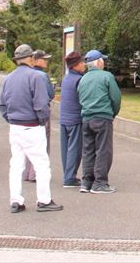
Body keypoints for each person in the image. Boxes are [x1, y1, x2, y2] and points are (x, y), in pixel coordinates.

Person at [0, 44, 61, 213]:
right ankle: (44, 200)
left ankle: (16, 201)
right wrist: (42, 121)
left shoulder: (8, 78)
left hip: (15, 126)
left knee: (16, 164)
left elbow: (2, 105)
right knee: (41, 164)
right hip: (32, 125)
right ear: (32, 58)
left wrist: (11, 119)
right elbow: (41, 104)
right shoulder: (36, 77)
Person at [78, 49, 121, 194]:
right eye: (103, 60)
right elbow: (116, 98)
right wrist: (113, 113)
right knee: (103, 150)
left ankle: (86, 181)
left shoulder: (82, 79)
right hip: (103, 117)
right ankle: (100, 183)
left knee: (88, 150)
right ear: (99, 62)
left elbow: (79, 97)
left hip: (86, 118)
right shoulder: (107, 76)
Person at [23, 49, 54, 182]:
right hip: (41, 113)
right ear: (36, 60)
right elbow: (50, 94)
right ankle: (35, 173)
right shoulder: (41, 75)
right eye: (44, 59)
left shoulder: (25, 74)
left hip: (27, 113)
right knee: (41, 144)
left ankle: (27, 173)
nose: (46, 61)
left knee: (28, 144)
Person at [59, 50, 86, 188]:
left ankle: (67, 174)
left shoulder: (66, 78)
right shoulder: (80, 80)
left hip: (64, 117)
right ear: (75, 65)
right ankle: (70, 177)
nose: (84, 65)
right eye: (81, 63)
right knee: (75, 148)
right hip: (75, 118)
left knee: (65, 148)